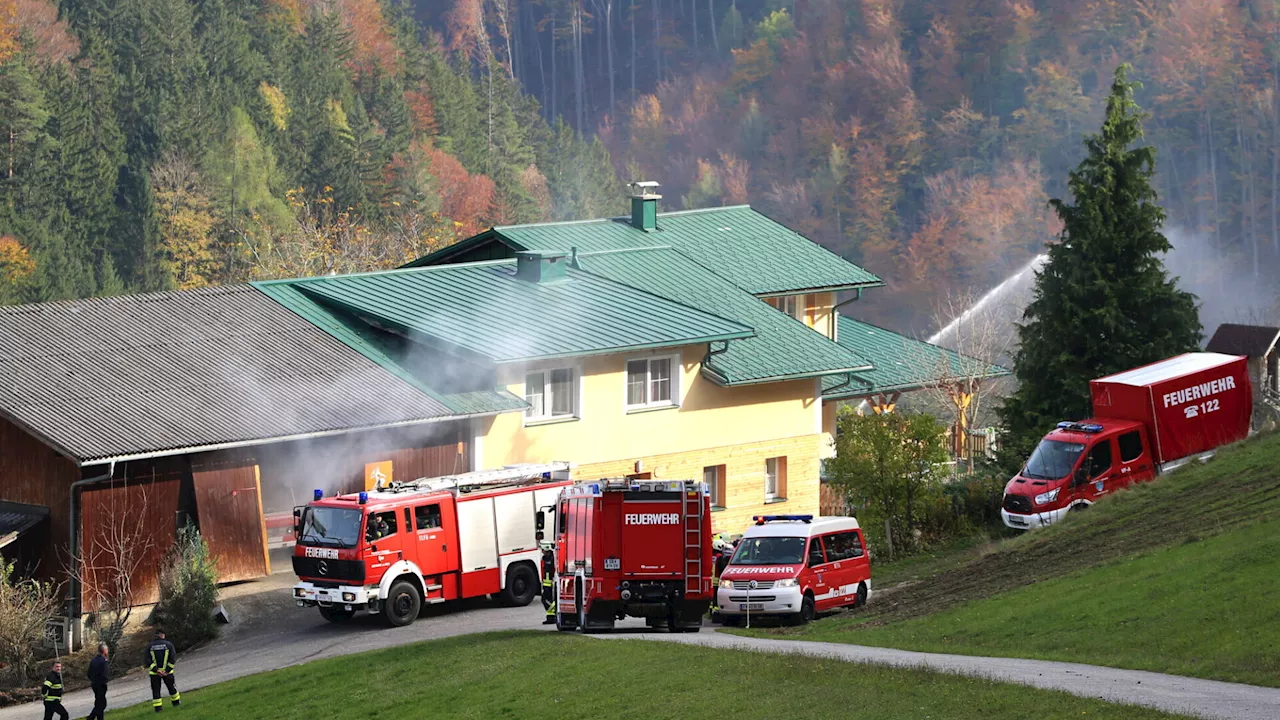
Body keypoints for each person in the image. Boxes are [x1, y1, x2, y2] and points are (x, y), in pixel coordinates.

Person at [145, 630, 181, 712]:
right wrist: (167, 670)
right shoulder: (169, 644)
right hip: (168, 673)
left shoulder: (149, 646)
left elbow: (147, 660)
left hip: (154, 673)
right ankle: (176, 703)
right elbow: (172, 659)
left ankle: (158, 708)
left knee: (156, 690)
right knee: (172, 688)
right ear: (162, 635)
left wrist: (156, 670)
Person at [86, 643, 110, 720]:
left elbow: (89, 673)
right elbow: (105, 674)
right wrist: (105, 681)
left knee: (98, 703)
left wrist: (93, 679)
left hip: (94, 684)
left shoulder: (93, 660)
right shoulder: (103, 661)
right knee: (102, 704)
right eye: (107, 650)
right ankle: (90, 717)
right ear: (104, 651)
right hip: (101, 685)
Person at [540, 546, 556, 625]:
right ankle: (550, 617)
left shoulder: (551, 559)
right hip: (547, 583)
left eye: (544, 550)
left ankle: (552, 616)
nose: (542, 552)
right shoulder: (546, 559)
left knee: (546, 600)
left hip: (549, 584)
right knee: (546, 600)